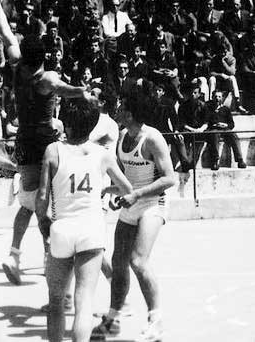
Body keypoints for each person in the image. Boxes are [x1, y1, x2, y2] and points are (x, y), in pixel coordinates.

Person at [0, 0, 93, 287]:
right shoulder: (47, 78)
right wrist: (85, 92)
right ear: (46, 57)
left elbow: (5, 32)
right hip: (47, 144)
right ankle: (50, 256)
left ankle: (15, 254)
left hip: (24, 140)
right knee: (49, 204)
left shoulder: (17, 66)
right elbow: (70, 91)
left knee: (28, 201)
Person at [37, 98, 133, 342]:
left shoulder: (53, 150)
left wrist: (43, 223)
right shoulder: (102, 154)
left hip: (62, 227)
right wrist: (107, 191)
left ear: (67, 124)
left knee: (56, 300)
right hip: (91, 228)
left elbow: (42, 196)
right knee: (84, 301)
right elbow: (127, 188)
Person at [92, 90, 177, 342]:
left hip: (153, 202)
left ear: (130, 114)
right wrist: (113, 191)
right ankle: (113, 318)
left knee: (138, 261)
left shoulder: (153, 139)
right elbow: (126, 177)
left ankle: (156, 322)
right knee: (118, 262)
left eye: (121, 108)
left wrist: (136, 194)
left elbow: (169, 179)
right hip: (133, 200)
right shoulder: (122, 136)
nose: (117, 110)